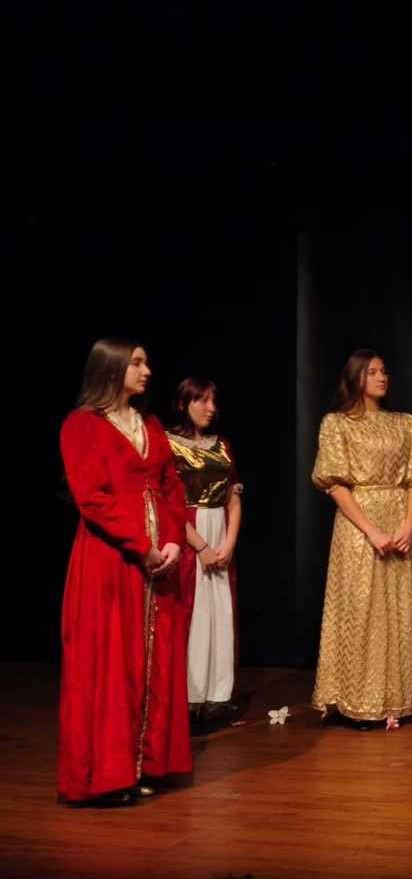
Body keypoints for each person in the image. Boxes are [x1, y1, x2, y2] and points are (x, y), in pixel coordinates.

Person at [58, 337, 193, 806]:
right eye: (137, 362)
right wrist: (142, 547)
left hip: (160, 560)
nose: (147, 370)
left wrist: (173, 540)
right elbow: (92, 498)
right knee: (112, 661)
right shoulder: (82, 425)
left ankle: (147, 763)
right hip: (110, 559)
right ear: (112, 368)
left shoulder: (150, 424)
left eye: (146, 362)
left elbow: (171, 487)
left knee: (154, 658)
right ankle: (106, 775)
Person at [311, 350, 412, 729]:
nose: (381, 377)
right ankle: (356, 702)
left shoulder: (404, 423)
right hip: (358, 524)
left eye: (384, 371)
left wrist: (408, 524)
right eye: (372, 372)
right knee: (360, 611)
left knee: (396, 609)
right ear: (356, 378)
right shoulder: (337, 423)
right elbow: (334, 483)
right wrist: (371, 530)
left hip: (397, 519)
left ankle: (395, 699)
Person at [166, 377, 243, 737]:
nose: (211, 408)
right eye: (203, 401)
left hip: (219, 532)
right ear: (185, 403)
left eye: (214, 401)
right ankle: (186, 701)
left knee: (219, 616)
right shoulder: (168, 444)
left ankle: (213, 699)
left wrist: (228, 543)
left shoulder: (221, 445)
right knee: (193, 617)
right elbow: (170, 505)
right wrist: (200, 547)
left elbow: (233, 498)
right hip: (190, 535)